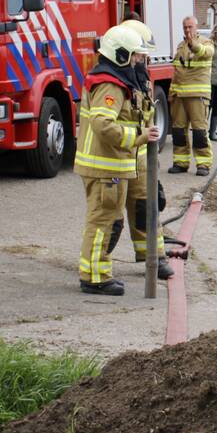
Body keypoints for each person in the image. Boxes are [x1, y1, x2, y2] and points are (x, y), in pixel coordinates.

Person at [74, 25, 160, 296]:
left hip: (111, 167)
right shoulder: (109, 84)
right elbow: (103, 125)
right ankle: (94, 277)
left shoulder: (118, 80)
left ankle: (97, 273)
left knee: (109, 221)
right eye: (135, 56)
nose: (138, 62)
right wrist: (139, 135)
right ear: (121, 55)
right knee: (103, 221)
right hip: (103, 168)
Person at [117, 19, 173, 281]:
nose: (143, 59)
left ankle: (155, 257)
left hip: (140, 158)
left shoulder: (140, 78)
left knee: (146, 207)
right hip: (116, 158)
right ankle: (96, 267)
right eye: (140, 54)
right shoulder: (111, 82)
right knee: (109, 216)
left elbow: (146, 116)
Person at [168, 16, 214, 176]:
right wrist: (171, 92)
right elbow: (177, 72)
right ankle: (181, 163)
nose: (187, 30)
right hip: (179, 95)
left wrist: (192, 43)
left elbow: (203, 53)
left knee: (199, 131)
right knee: (178, 131)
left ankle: (203, 164)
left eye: (190, 27)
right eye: (185, 27)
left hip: (197, 95)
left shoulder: (206, 43)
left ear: (196, 27)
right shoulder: (181, 46)